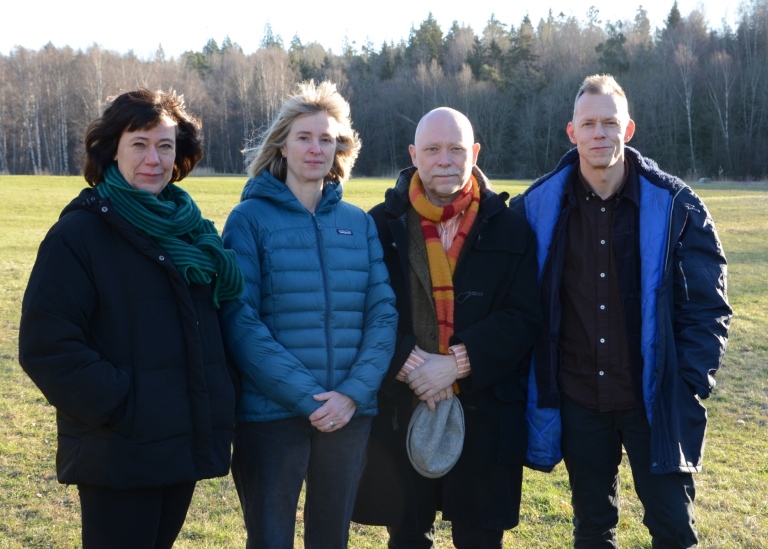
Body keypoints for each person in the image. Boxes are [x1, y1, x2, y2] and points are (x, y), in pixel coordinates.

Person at [512, 74, 732, 547]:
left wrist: (690, 381)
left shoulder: (675, 204)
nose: (598, 134)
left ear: (628, 130)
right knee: (593, 528)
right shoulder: (536, 207)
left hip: (652, 400)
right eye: (588, 124)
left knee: (674, 528)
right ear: (571, 133)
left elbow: (708, 306)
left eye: (608, 123)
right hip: (578, 400)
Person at [18, 89, 244, 548]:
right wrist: (125, 406)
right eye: (139, 144)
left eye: (165, 146)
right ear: (112, 150)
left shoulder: (192, 233)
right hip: (118, 449)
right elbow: (47, 346)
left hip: (181, 440)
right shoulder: (79, 235)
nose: (154, 159)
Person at [351, 107, 542, 548]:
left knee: (479, 539)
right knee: (407, 536)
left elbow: (524, 317)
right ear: (414, 154)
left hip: (485, 411)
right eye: (433, 149)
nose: (445, 160)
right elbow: (361, 308)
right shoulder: (378, 226)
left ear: (473, 153)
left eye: (456, 149)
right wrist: (411, 363)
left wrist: (456, 364)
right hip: (402, 404)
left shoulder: (512, 230)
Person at [219, 80, 397, 548]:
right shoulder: (249, 219)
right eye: (304, 136)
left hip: (349, 415)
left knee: (331, 539)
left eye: (326, 138)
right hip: (271, 415)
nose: (316, 148)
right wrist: (309, 398)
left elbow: (382, 316)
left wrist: (352, 395)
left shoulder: (358, 223)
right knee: (270, 538)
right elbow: (240, 322)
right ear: (282, 143)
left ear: (340, 147)